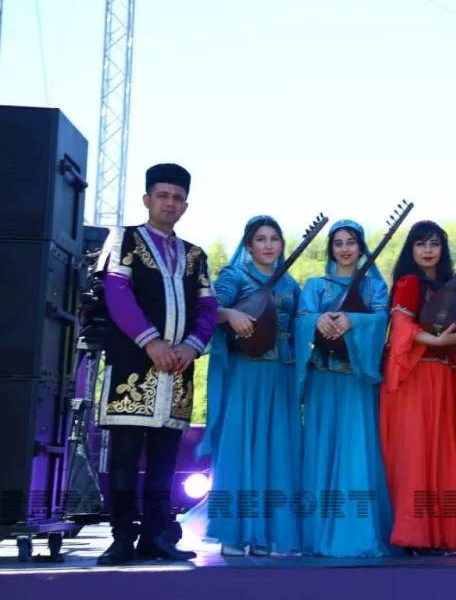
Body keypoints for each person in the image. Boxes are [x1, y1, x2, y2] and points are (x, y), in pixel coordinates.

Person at [95, 163, 217, 564]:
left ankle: (157, 537)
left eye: (177, 198)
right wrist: (151, 341)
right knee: (125, 457)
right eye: (162, 195)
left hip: (178, 371)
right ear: (147, 199)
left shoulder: (195, 255)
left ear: (186, 206)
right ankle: (121, 538)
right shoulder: (124, 240)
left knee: (165, 459)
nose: (170, 203)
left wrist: (193, 346)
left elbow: (208, 308)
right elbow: (117, 293)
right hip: (133, 366)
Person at [195, 215, 302, 556]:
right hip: (245, 373)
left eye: (275, 238)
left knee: (276, 452)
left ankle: (265, 534)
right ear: (249, 245)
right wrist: (230, 315)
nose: (269, 245)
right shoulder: (235, 276)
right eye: (261, 239)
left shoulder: (290, 284)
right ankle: (233, 533)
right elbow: (209, 308)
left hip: (281, 376)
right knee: (239, 447)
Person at [295, 219, 395, 556]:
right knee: (322, 450)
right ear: (330, 249)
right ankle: (318, 533)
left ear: (361, 247)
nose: (345, 249)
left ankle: (357, 533)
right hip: (323, 381)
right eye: (338, 243)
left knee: (356, 451)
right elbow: (300, 320)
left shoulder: (374, 287)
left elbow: (381, 320)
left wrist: (354, 320)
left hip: (357, 382)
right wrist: (316, 320)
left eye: (351, 242)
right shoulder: (315, 286)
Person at [380, 221, 456, 555]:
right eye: (421, 244)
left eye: (434, 244)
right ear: (411, 250)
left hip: (440, 377)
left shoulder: (448, 287)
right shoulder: (409, 283)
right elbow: (401, 325)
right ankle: (413, 533)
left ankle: (437, 533)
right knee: (415, 453)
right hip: (414, 375)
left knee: (438, 451)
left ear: (443, 250)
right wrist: (437, 340)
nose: (428, 250)